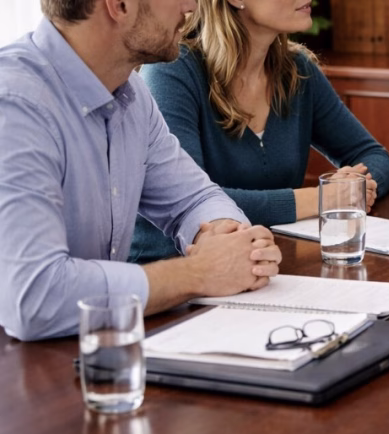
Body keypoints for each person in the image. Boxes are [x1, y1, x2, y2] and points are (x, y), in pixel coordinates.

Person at [0, 0, 283, 341]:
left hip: (89, 354)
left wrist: (226, 237)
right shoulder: (14, 104)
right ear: (119, 5)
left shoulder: (131, 93)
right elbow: (33, 297)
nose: (191, 6)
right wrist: (199, 273)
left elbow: (194, 198)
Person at [129, 0, 389, 264]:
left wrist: (354, 188)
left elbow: (373, 155)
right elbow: (191, 202)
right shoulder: (173, 69)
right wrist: (324, 197)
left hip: (262, 264)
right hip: (171, 274)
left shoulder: (297, 70)